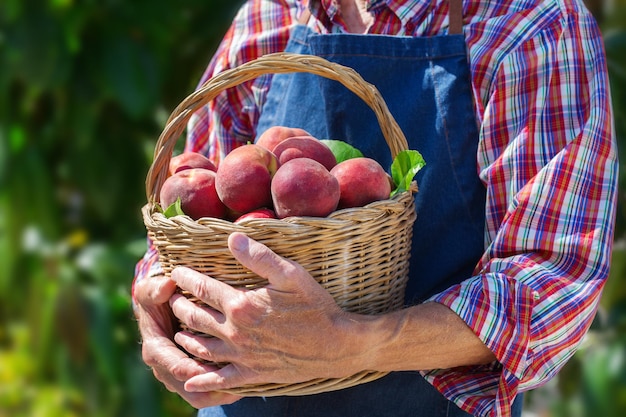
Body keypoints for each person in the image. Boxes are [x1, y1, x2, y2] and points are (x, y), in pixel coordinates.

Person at [133, 0, 619, 416]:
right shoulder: (271, 16)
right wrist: (154, 310)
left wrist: (353, 342)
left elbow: (553, 277)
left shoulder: (528, 24)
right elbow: (182, 211)